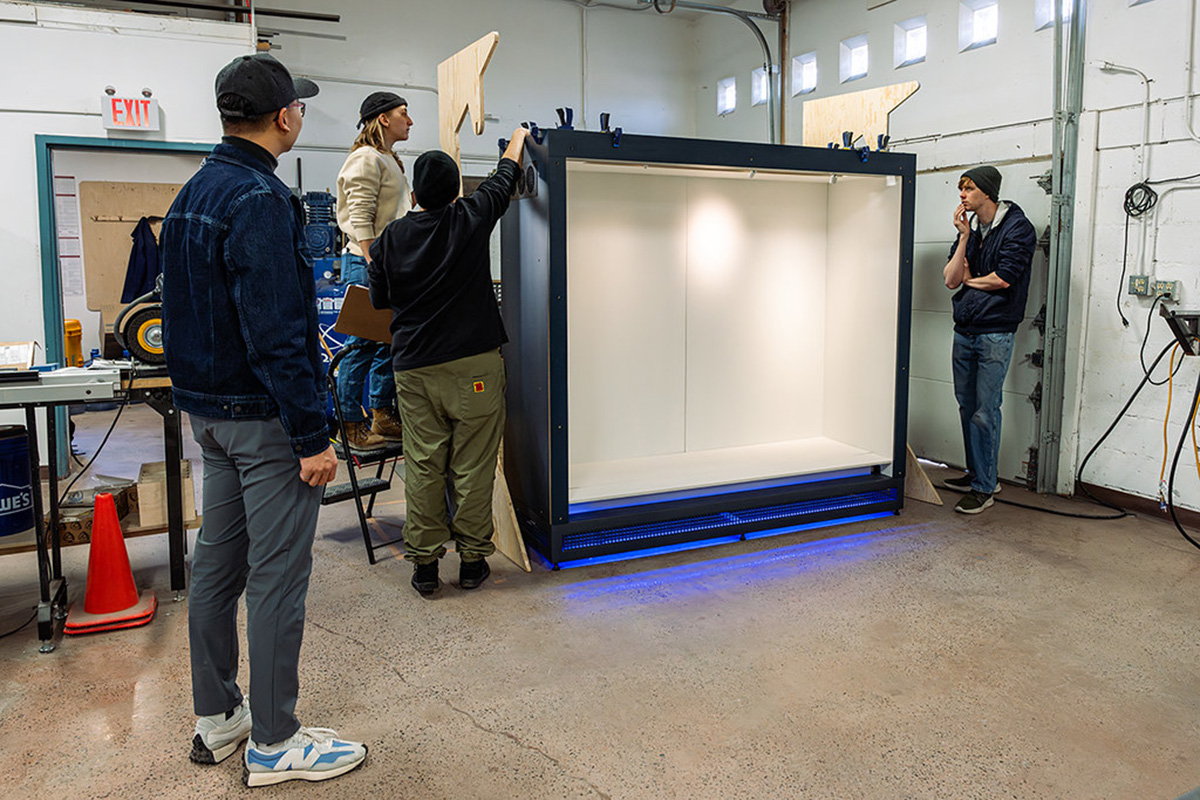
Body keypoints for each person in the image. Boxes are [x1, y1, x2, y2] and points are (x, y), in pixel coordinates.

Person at [160, 52, 366, 787]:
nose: (300, 115)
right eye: (299, 107)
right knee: (277, 580)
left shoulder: (193, 192)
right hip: (265, 422)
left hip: (210, 418)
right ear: (283, 117)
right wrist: (311, 437)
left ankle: (219, 716)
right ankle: (276, 742)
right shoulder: (261, 199)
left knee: (218, 567)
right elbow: (277, 332)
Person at [368, 128, 529, 595]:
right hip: (473, 365)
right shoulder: (470, 216)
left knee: (423, 464)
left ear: (414, 195)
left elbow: (379, 300)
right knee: (472, 466)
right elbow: (504, 176)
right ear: (456, 191)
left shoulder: (390, 239)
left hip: (414, 368)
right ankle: (473, 561)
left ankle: (424, 566)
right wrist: (517, 137)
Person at [941, 165, 1037, 515]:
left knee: (985, 410)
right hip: (965, 329)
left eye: (968, 188)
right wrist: (963, 238)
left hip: (995, 331)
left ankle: (985, 487)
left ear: (987, 192)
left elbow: (1004, 279)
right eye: (961, 188)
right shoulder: (971, 230)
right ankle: (978, 473)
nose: (962, 195)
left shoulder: (1017, 228)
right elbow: (950, 279)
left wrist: (972, 280)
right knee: (966, 406)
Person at [333, 91, 414, 452]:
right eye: (403, 113)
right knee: (361, 345)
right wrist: (372, 261)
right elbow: (360, 216)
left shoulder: (388, 159)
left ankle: (382, 413)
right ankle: (349, 424)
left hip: (387, 264)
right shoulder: (365, 158)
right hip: (368, 262)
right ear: (383, 118)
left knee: (387, 341)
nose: (409, 121)